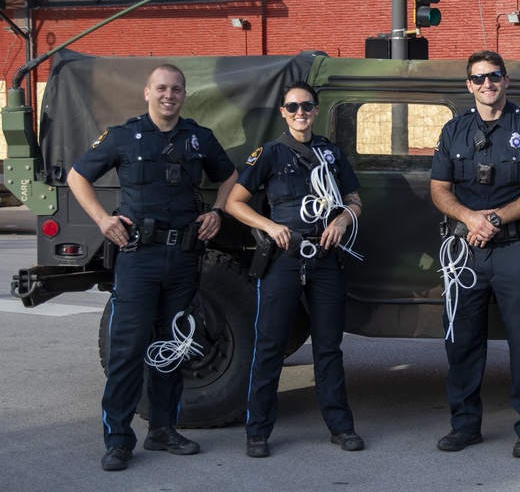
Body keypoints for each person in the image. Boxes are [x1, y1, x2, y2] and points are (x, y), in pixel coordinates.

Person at [67, 64, 237, 471]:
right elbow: (77, 176)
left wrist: (217, 211)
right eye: (161, 88)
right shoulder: (123, 136)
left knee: (171, 349)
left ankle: (162, 430)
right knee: (126, 352)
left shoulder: (198, 138)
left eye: (176, 89)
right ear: (147, 93)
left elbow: (231, 177)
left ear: (184, 95)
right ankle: (119, 440)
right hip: (138, 257)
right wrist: (103, 220)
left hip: (183, 258)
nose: (169, 95)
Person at [429, 50, 520, 459]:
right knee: (462, 342)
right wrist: (470, 218)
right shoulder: (453, 131)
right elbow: (438, 188)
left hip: (515, 249)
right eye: (479, 78)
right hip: (465, 250)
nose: (487, 84)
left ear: (506, 81)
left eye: (494, 76)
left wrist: (496, 219)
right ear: (469, 85)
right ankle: (465, 425)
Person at [226, 80, 364, 459]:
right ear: (283, 113)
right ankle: (258, 433)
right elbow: (235, 202)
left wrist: (342, 220)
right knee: (269, 347)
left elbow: (354, 200)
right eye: (292, 107)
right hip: (283, 260)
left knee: (329, 347)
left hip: (324, 257)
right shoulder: (269, 154)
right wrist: (269, 226)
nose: (300, 112)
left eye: (306, 106)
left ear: (316, 110)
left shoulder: (331, 155)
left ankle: (341, 426)